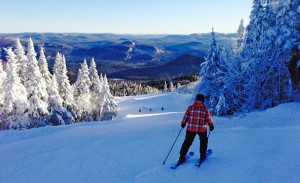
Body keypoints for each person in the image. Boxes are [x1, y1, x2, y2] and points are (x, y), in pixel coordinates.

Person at [177, 94, 214, 164]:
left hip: (191, 128)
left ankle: (182, 156)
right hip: (202, 129)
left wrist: (183, 123)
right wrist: (211, 126)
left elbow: (186, 116)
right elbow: (208, 119)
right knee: (203, 141)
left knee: (187, 142)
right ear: (203, 100)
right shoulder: (205, 109)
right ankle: (202, 155)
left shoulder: (190, 108)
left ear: (196, 100)